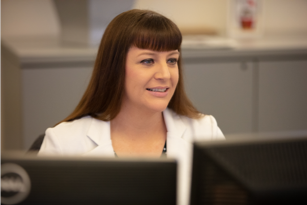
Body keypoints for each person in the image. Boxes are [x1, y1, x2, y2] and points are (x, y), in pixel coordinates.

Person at [38, 9, 224, 205]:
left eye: (171, 60)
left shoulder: (206, 133)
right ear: (115, 68)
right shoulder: (63, 144)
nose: (165, 74)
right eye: (148, 61)